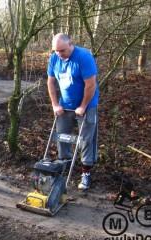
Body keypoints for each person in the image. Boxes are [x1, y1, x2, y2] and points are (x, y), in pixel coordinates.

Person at [47, 33, 99, 190]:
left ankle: (86, 172)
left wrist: (83, 106)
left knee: (86, 139)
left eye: (62, 50)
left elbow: (91, 85)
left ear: (71, 44)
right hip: (65, 105)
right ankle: (64, 163)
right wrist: (55, 104)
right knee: (62, 136)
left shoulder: (84, 57)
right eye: (56, 50)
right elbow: (50, 81)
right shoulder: (54, 58)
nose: (59, 54)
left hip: (87, 104)